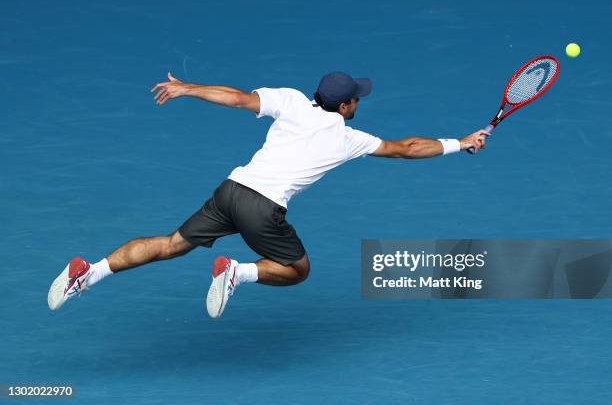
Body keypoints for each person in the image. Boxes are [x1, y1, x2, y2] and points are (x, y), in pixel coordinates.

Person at [47, 71, 489, 318]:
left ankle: (90, 271)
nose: (357, 102)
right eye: (355, 98)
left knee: (170, 244)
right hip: (263, 209)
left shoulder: (293, 101)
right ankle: (238, 273)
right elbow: (407, 149)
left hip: (231, 190)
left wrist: (187, 88)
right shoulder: (349, 139)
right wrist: (460, 142)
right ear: (345, 107)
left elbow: (238, 98)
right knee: (297, 270)